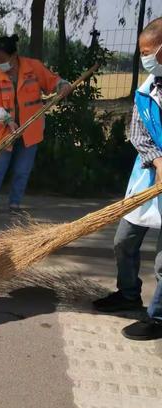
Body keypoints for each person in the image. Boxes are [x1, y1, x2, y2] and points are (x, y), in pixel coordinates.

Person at [93, 17, 162, 341]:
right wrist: (159, 161)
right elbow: (139, 134)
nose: (145, 57)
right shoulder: (146, 91)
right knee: (124, 240)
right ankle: (128, 293)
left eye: (149, 51)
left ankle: (159, 317)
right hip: (149, 180)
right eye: (142, 52)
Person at [0, 35, 71, 216]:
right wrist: (8, 121)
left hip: (31, 128)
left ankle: (15, 204)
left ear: (14, 56)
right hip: (5, 130)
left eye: (2, 60)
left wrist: (63, 85)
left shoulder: (33, 67)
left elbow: (53, 81)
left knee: (22, 169)